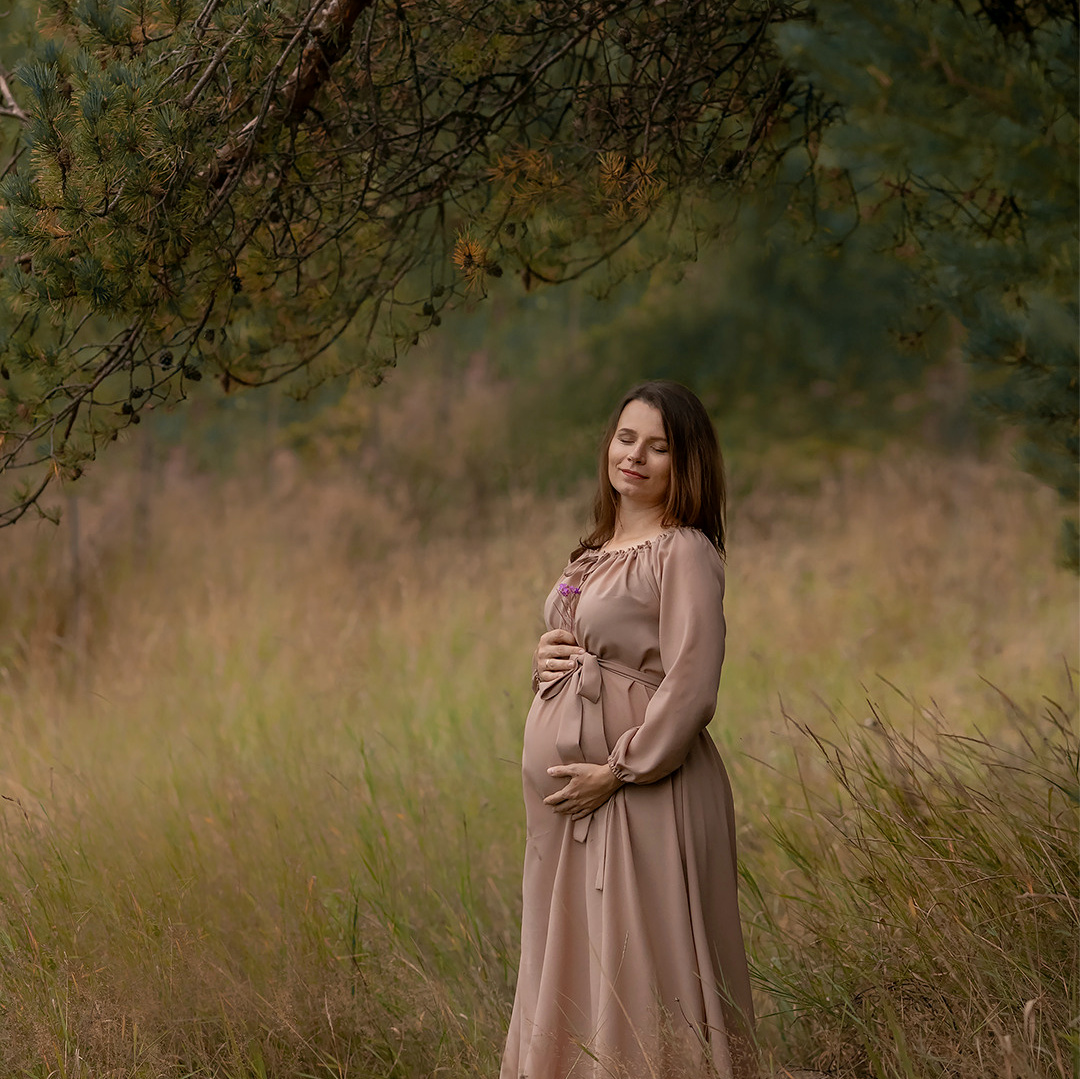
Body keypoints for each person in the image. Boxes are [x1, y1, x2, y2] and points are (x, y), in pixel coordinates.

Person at [500, 381, 756, 1079]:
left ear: (686, 462)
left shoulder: (685, 551)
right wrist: (545, 655)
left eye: (658, 445)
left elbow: (693, 680)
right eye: (625, 437)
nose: (635, 456)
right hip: (571, 810)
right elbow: (591, 645)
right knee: (575, 960)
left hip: (642, 791)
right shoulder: (592, 552)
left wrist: (617, 768)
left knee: (643, 967)